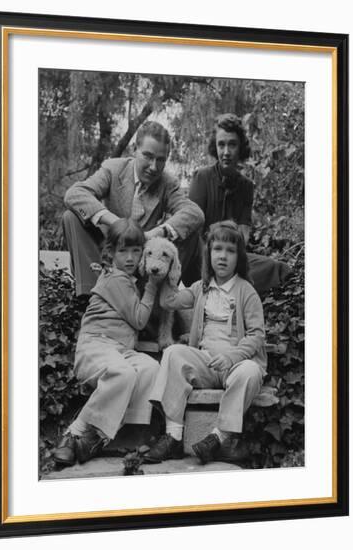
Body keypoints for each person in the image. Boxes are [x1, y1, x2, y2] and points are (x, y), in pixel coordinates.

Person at [144, 221, 267, 464]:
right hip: (206, 364)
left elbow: (256, 335)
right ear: (208, 253)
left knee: (250, 372)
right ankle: (173, 436)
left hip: (235, 365)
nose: (222, 256)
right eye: (217, 249)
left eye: (230, 251)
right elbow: (170, 301)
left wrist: (233, 357)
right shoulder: (201, 288)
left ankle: (218, 437)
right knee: (173, 353)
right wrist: (167, 269)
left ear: (239, 258)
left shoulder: (246, 291)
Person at [53, 219, 162, 467]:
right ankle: (75, 433)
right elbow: (139, 319)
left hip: (119, 349)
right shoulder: (115, 278)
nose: (130, 258)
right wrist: (153, 288)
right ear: (110, 253)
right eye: (123, 251)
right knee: (123, 373)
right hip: (96, 346)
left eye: (136, 251)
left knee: (151, 369)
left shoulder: (127, 281)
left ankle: (109, 437)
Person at [62, 120, 204, 296]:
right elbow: (74, 194)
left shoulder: (168, 183)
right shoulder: (113, 169)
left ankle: (167, 294)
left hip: (142, 260)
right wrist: (117, 224)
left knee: (189, 232)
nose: (154, 167)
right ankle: (92, 294)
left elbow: (194, 213)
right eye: (148, 156)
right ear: (134, 150)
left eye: (161, 160)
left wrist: (157, 233)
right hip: (110, 253)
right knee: (71, 216)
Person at [186, 113, 291, 293]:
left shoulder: (246, 186)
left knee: (277, 268)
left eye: (232, 144)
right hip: (201, 259)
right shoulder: (201, 177)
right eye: (221, 144)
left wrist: (220, 232)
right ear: (215, 147)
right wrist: (223, 233)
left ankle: (230, 286)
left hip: (231, 258)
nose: (226, 152)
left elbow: (242, 236)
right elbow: (191, 231)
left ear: (240, 147)